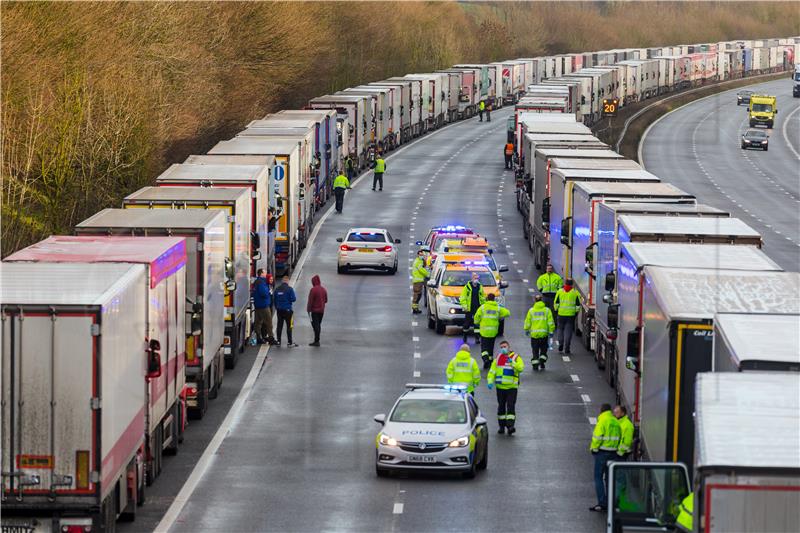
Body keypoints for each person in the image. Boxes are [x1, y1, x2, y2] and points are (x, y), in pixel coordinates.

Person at [487, 340, 524, 435]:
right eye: (501, 347)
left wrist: (512, 363)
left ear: (509, 347)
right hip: (500, 387)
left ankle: (510, 426)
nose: (503, 348)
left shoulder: (515, 357)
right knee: (501, 407)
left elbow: (521, 368)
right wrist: (490, 381)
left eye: (505, 346)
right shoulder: (498, 358)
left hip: (512, 387)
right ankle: (501, 426)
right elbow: (492, 371)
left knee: (511, 406)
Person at [589, 403, 621, 512]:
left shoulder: (602, 421)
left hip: (602, 453)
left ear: (601, 411)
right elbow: (619, 437)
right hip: (613, 453)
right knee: (609, 478)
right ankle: (611, 503)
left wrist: (594, 449)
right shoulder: (616, 422)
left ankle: (602, 503)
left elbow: (597, 437)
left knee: (598, 477)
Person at [474, 293, 511, 369]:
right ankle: (490, 362)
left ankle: (485, 359)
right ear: (494, 299)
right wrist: (500, 316)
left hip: (484, 331)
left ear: (487, 298)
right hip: (493, 332)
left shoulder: (483, 308)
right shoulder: (497, 308)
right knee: (491, 348)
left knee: (484, 348)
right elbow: (508, 313)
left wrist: (477, 322)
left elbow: (476, 318)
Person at [524, 294, 555, 371]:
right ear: (542, 300)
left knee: (535, 351)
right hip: (544, 335)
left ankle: (535, 365)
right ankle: (542, 361)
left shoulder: (531, 311)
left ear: (535, 300)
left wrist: (526, 329)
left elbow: (528, 322)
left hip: (534, 335)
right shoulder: (547, 310)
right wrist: (551, 331)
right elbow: (550, 322)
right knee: (544, 350)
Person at [554, 278, 582, 354]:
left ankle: (561, 343)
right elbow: (578, 304)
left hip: (561, 314)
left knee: (560, 329)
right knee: (568, 331)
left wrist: (557, 310)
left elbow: (556, 302)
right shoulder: (575, 293)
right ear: (572, 284)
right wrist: (576, 313)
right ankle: (567, 348)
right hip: (571, 315)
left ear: (565, 283)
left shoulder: (560, 291)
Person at [459, 272, 485, 344]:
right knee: (467, 323)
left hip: (477, 308)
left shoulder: (480, 286)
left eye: (477, 278)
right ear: (472, 278)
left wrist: (483, 306)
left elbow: (482, 297)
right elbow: (463, 297)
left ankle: (477, 338)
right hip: (469, 308)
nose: (476, 279)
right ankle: (465, 336)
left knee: (477, 324)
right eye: (475, 278)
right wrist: (464, 306)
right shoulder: (467, 287)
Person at [251, 269, 275, 345]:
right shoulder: (262, 282)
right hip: (263, 305)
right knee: (269, 322)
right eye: (265, 272)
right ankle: (271, 338)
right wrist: (268, 291)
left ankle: (258, 338)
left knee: (258, 322)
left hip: (258, 304)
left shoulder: (256, 282)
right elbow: (264, 293)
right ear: (261, 274)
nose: (266, 274)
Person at [273, 275, 298, 347]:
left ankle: (278, 341)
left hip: (279, 310)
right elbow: (293, 299)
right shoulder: (290, 289)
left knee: (279, 326)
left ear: (282, 281)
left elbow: (274, 299)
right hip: (288, 310)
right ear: (287, 281)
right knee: (289, 326)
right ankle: (289, 342)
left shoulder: (277, 289)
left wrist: (277, 307)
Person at [306, 275, 327, 347]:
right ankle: (317, 340)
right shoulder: (323, 289)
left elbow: (310, 301)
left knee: (315, 325)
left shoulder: (313, 290)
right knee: (318, 325)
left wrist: (308, 310)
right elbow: (326, 300)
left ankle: (316, 341)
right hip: (321, 311)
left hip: (314, 311)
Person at [410, 249, 429, 314]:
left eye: (422, 254)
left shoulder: (420, 260)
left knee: (419, 294)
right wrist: (428, 274)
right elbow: (421, 269)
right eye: (421, 254)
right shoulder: (418, 261)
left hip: (419, 280)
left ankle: (416, 308)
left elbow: (425, 265)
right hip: (418, 281)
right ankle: (414, 309)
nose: (422, 255)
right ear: (418, 254)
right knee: (417, 295)